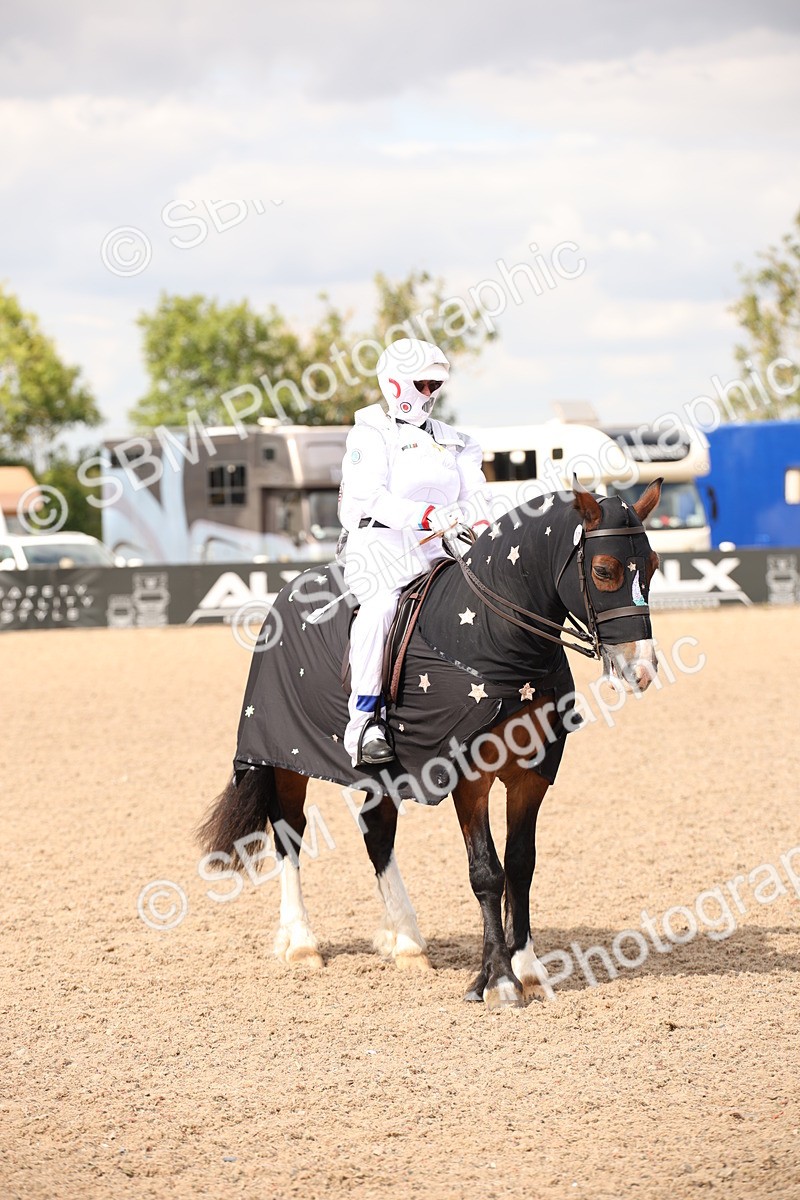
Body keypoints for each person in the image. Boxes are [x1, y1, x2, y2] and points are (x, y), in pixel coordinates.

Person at [338, 337, 492, 767]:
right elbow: (371, 498)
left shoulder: (458, 441)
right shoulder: (370, 432)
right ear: (395, 384)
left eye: (434, 385)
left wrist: (481, 529)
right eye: (421, 384)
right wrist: (428, 516)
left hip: (440, 548)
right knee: (381, 610)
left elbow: (476, 497)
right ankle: (364, 724)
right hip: (379, 549)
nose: (429, 393)